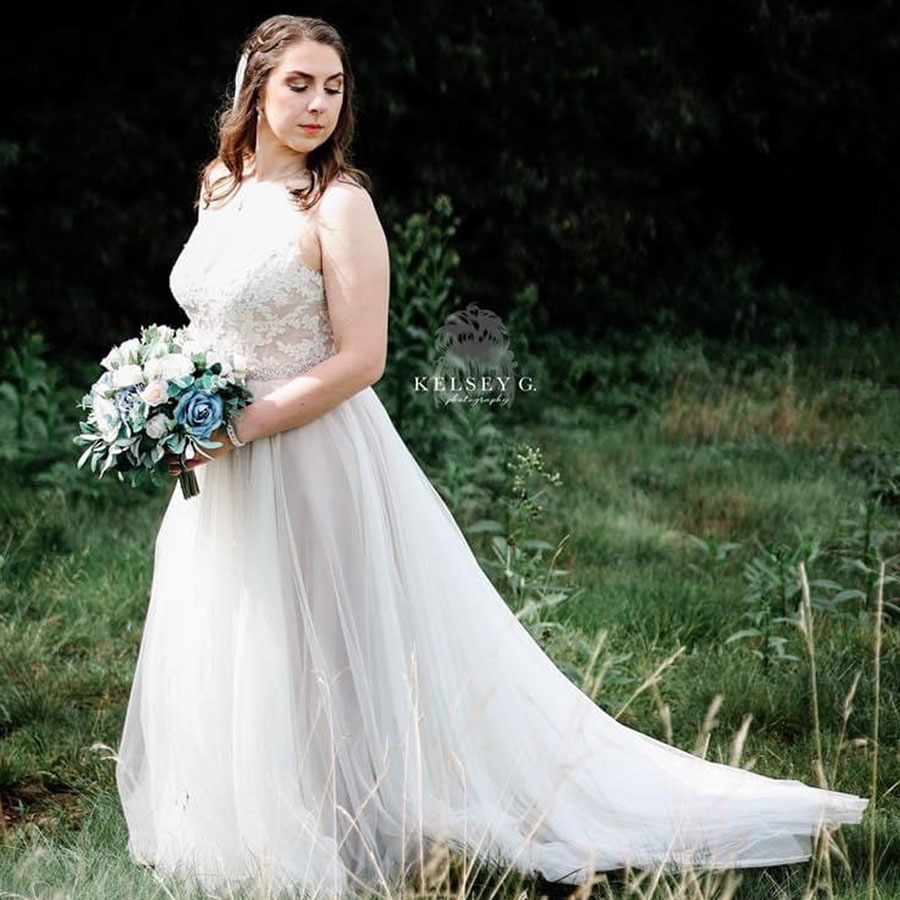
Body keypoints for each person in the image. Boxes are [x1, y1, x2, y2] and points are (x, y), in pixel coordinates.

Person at [114, 13, 869, 899]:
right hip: (218, 460)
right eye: (299, 85)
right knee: (240, 632)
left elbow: (363, 360)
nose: (319, 104)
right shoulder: (221, 186)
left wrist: (236, 426)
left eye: (334, 87)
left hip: (308, 455)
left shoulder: (340, 205)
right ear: (254, 90)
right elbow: (213, 321)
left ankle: (337, 827)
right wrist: (165, 398)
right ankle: (240, 823)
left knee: (316, 644)